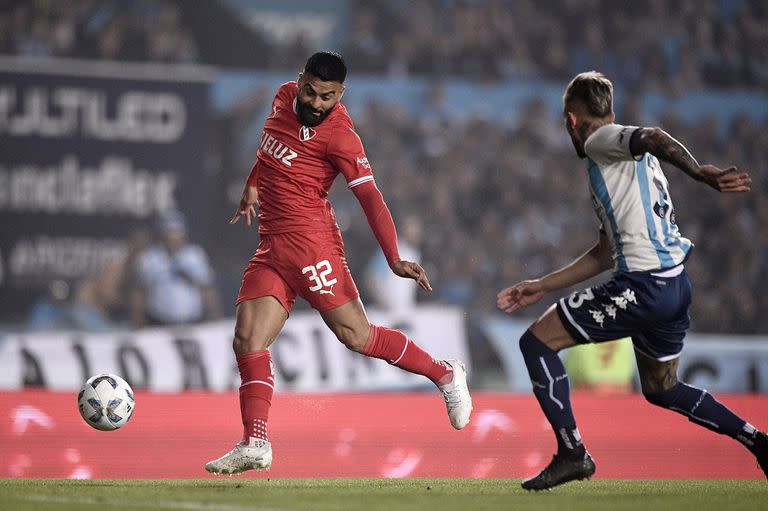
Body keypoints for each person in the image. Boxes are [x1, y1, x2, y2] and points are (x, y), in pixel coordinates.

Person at [497, 71, 766, 490]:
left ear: (571, 120)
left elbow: (654, 135)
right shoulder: (625, 164)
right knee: (662, 389)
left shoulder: (599, 141)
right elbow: (606, 252)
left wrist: (699, 173)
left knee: (536, 343)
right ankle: (758, 441)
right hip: (674, 284)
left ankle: (573, 453)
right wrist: (544, 284)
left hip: (644, 286)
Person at [205, 52, 472, 475]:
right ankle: (255, 443)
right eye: (310, 91)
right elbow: (269, 151)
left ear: (340, 95)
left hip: (314, 246)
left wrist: (394, 257)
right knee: (248, 340)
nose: (315, 102)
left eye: (327, 97)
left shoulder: (341, 136)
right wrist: (252, 185)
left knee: (357, 336)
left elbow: (371, 198)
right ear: (299, 81)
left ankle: (444, 374)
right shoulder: (281, 98)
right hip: (273, 245)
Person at [132, 211, 221, 327]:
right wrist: (139, 323)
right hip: (159, 323)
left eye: (177, 232)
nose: (174, 236)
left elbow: (207, 289)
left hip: (193, 322)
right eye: (170, 232)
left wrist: (216, 318)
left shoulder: (195, 255)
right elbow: (139, 293)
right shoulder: (149, 258)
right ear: (162, 234)